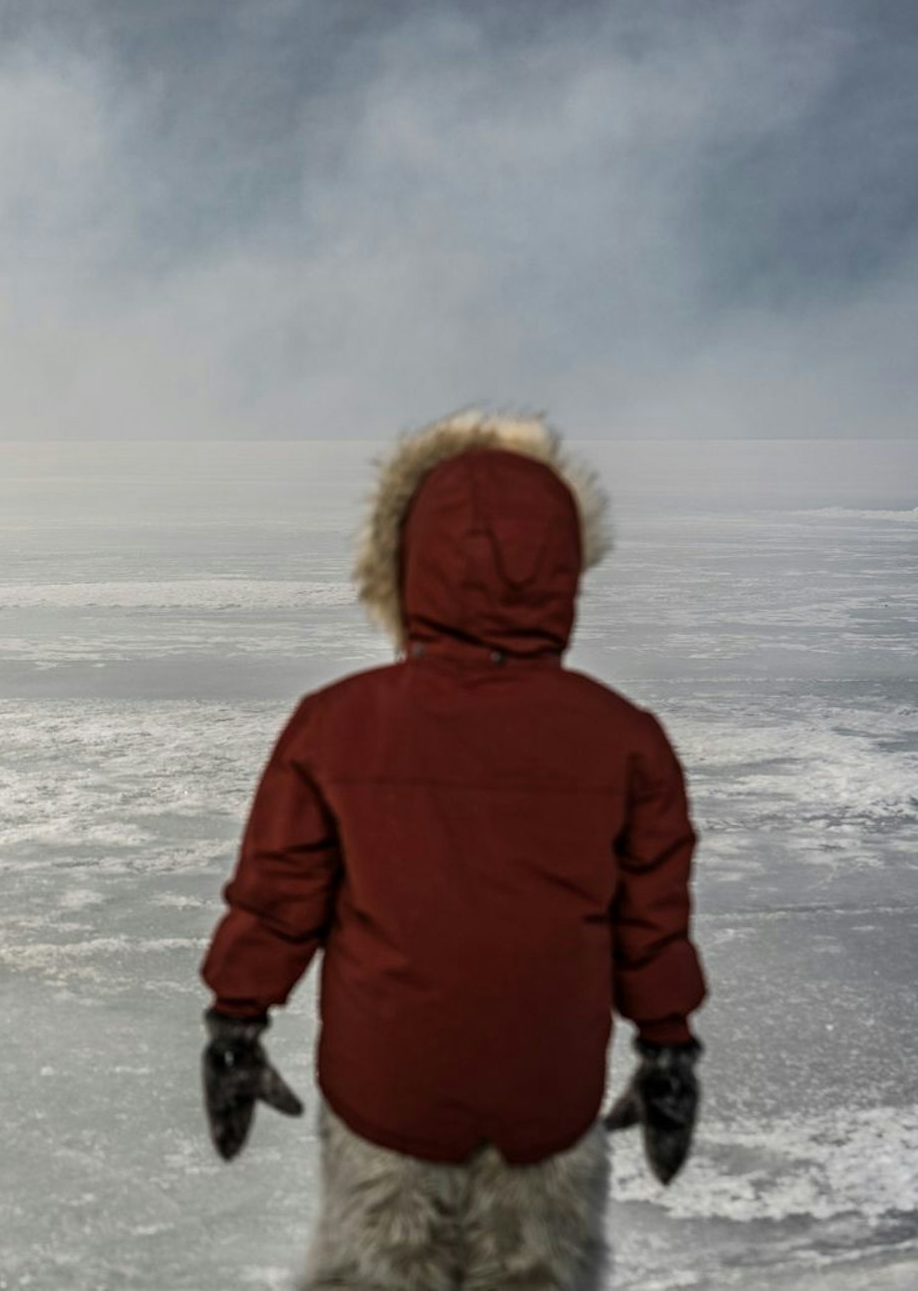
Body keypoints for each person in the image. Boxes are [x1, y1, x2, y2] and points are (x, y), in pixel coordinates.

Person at [198, 411, 706, 1290]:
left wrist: (235, 1026)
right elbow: (649, 924)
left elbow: (279, 897)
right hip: (546, 1096)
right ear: (563, 567)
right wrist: (668, 1050)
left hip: (388, 1091)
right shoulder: (624, 739)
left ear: (404, 563)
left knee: (377, 1270)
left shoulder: (338, 724)